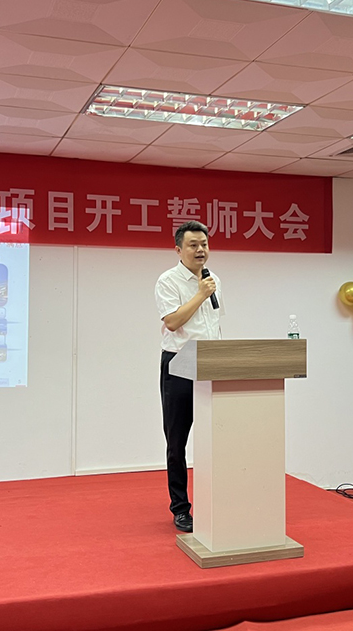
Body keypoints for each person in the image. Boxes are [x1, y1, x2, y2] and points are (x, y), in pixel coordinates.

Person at [155, 220, 223, 533]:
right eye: (193, 245)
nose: (200, 250)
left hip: (211, 363)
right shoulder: (168, 281)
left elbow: (213, 326)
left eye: (204, 244)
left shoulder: (214, 279)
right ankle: (181, 508)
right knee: (177, 441)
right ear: (178, 249)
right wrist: (200, 294)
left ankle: (215, 503)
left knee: (214, 438)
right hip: (179, 364)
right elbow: (173, 322)